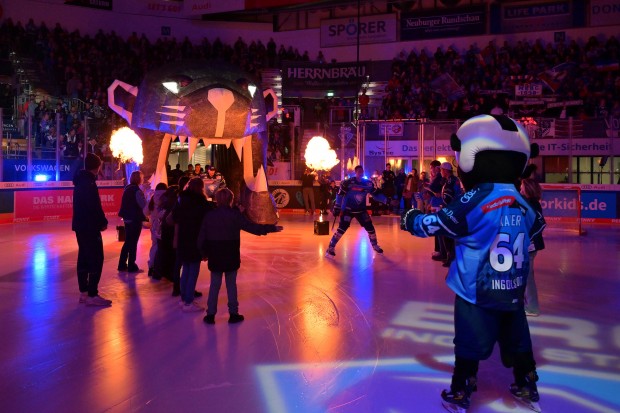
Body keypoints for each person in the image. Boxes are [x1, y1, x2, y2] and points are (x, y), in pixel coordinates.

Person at [401, 114, 546, 412]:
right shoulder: (522, 200)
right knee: (517, 337)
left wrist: (411, 218)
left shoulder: (478, 197)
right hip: (513, 288)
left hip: (476, 289)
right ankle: (527, 380)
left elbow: (440, 222)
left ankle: (461, 386)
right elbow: (535, 230)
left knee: (468, 338)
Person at [198, 188, 283, 324]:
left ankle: (211, 314)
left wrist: (203, 252)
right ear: (231, 200)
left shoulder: (210, 215)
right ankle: (233, 313)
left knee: (214, 285)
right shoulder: (235, 215)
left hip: (215, 253)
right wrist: (270, 228)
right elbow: (251, 227)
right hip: (231, 253)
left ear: (217, 200)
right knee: (231, 285)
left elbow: (202, 235)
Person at [72, 153, 111, 306]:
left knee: (83, 257)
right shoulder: (89, 183)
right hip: (89, 227)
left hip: (80, 226)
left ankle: (84, 292)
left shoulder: (81, 181)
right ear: (97, 166)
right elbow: (94, 206)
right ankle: (92, 294)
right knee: (96, 258)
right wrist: (102, 221)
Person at [326, 165, 385, 257]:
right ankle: (331, 247)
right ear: (355, 172)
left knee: (370, 228)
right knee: (342, 229)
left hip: (361, 211)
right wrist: (337, 207)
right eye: (359, 171)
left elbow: (376, 195)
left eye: (362, 171)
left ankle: (375, 245)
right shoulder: (348, 183)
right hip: (347, 210)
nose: (361, 173)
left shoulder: (368, 184)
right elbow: (340, 195)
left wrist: (386, 200)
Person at [172, 177, 212, 312]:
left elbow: (175, 217)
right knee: (193, 271)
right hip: (195, 239)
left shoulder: (181, 199)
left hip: (183, 237)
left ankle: (184, 298)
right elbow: (207, 218)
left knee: (186, 269)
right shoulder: (201, 202)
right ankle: (188, 301)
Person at [520, 178, 545, 317]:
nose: (520, 189)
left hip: (529, 246)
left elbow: (540, 223)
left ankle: (532, 307)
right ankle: (526, 303)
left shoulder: (532, 204)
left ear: (528, 188)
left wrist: (528, 239)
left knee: (527, 277)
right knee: (525, 275)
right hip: (526, 245)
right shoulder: (527, 203)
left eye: (522, 186)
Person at [118, 170, 147, 272]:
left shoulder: (127, 188)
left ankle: (121, 264)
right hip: (135, 219)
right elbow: (143, 205)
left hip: (127, 218)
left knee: (128, 241)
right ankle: (131, 265)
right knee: (133, 242)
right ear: (139, 178)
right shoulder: (137, 191)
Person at [144, 182, 167, 278]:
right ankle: (161, 268)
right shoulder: (167, 197)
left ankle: (151, 266)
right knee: (163, 248)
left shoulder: (153, 198)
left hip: (154, 226)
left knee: (154, 246)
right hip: (164, 225)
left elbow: (145, 212)